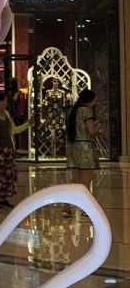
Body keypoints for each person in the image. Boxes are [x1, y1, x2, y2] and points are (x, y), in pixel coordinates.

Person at [0, 93, 32, 209]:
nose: (7, 104)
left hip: (8, 149)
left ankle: (3, 198)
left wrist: (27, 124)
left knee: (7, 175)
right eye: (5, 101)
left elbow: (14, 130)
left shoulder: (7, 114)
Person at [62, 89, 102, 217]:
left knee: (75, 179)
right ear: (89, 100)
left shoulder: (74, 110)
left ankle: (66, 207)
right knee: (86, 180)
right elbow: (91, 131)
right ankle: (85, 208)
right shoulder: (86, 111)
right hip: (85, 147)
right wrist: (98, 126)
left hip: (74, 146)